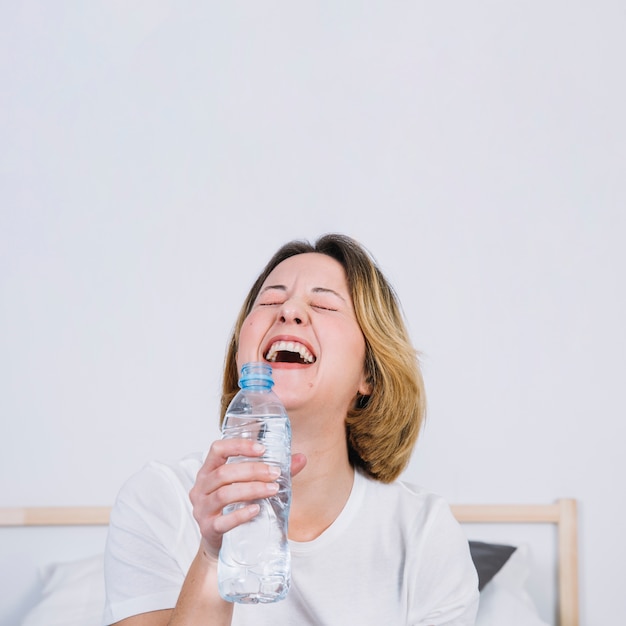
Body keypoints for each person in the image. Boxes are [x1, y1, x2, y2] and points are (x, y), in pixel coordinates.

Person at [102, 233, 479, 626]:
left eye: (323, 304)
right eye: (269, 301)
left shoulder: (424, 534)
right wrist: (214, 557)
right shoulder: (158, 499)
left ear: (369, 372)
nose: (289, 312)